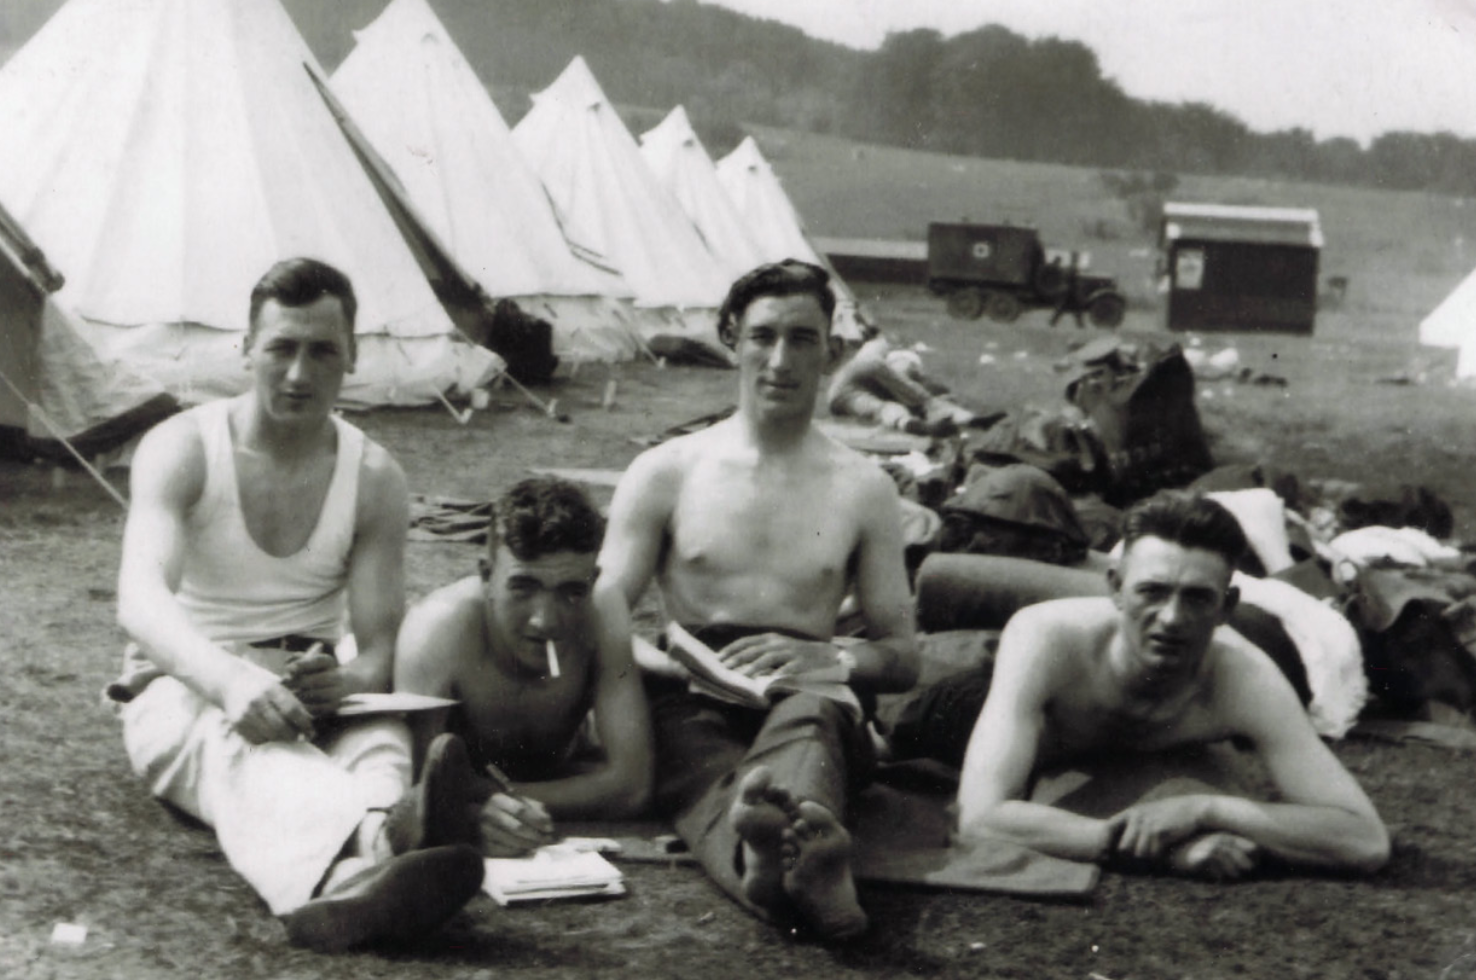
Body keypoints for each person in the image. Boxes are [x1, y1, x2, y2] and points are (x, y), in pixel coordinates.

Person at [111, 258, 484, 952]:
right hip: (185, 683)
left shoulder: (373, 476)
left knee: (376, 737)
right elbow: (140, 600)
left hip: (306, 683)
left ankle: (366, 873)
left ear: (353, 358)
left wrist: (344, 682)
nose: (298, 373)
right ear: (246, 348)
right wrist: (229, 681)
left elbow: (377, 648)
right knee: (247, 749)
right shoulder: (184, 446)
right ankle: (375, 846)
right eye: (281, 347)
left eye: (322, 351)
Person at [598, 259, 920, 940]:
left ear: (832, 351)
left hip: (809, 688)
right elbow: (597, 619)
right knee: (699, 762)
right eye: (763, 336)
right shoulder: (667, 472)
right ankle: (783, 864)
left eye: (803, 339)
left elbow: (903, 658)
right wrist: (667, 667)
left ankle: (771, 851)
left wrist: (829, 658)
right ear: (731, 341)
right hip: (691, 690)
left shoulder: (864, 488)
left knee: (810, 724)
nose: (781, 360)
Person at [921, 491, 1390, 879]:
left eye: (1197, 599)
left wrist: (1207, 811)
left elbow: (1364, 839)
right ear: (1115, 589)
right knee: (916, 705)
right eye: (1153, 591)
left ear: (1226, 609)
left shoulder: (1244, 676)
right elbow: (981, 817)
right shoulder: (1046, 637)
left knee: (1195, 776)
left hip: (1127, 753)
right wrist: (1158, 849)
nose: (1171, 619)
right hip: (981, 699)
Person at [395, 477, 653, 855]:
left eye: (571, 592)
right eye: (523, 587)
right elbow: (417, 790)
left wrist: (486, 800)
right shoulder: (439, 629)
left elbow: (632, 788)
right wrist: (469, 814)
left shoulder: (602, 607)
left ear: (592, 581)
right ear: (486, 576)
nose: (544, 621)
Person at [827, 334, 976, 436]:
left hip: (838, 396)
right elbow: (910, 383)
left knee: (881, 407)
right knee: (909, 393)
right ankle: (920, 418)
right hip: (863, 370)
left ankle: (908, 423)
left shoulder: (875, 357)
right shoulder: (884, 357)